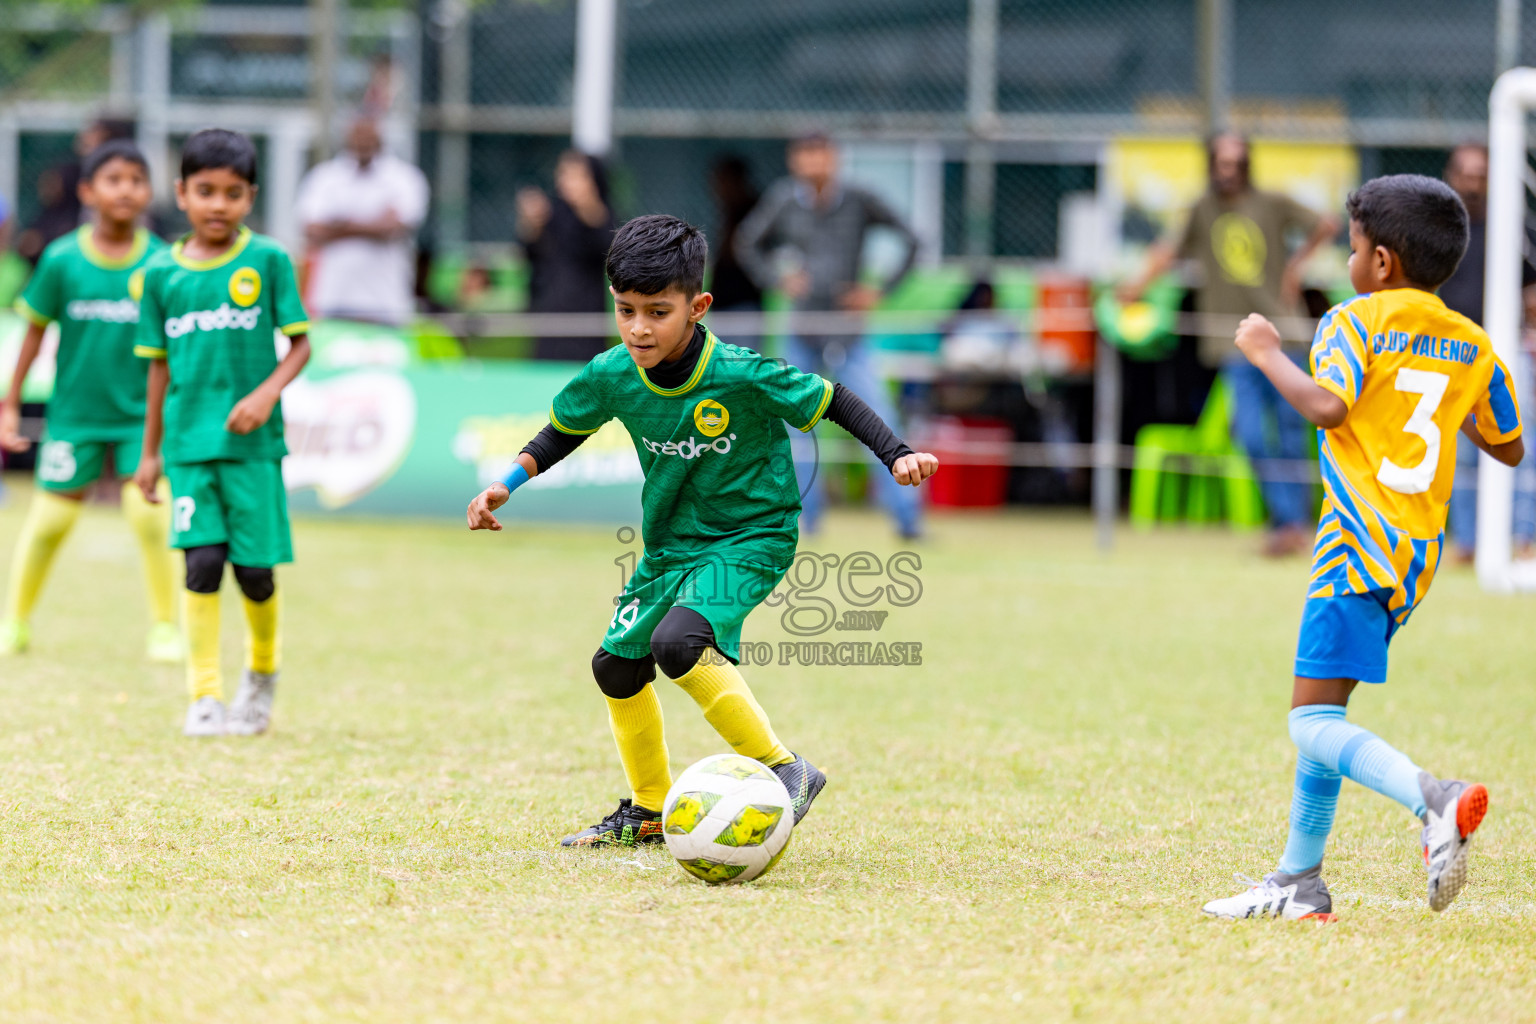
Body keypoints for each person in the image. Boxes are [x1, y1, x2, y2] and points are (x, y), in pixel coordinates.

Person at [465, 215, 938, 846]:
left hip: (753, 535)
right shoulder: (612, 373)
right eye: (625, 310)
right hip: (670, 545)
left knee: (679, 642)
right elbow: (562, 431)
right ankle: (648, 809)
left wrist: (897, 453)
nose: (638, 328)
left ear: (698, 307)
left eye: (657, 312)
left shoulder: (741, 372)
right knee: (616, 667)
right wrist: (506, 483)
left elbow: (834, 399)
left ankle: (785, 769)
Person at [1202, 175, 1524, 922]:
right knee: (1326, 712)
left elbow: (1328, 406)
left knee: (1308, 723)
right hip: (1414, 559)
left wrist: (1266, 352)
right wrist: (1441, 396)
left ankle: (1432, 799)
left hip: (1355, 545)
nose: (1347, 263)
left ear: (1380, 261)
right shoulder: (1471, 341)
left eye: (1350, 249)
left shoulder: (1354, 321)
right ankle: (1299, 881)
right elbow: (1508, 445)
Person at [132, 129, 312, 738]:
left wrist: (265, 394)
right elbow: (158, 368)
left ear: (250, 197)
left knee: (254, 573)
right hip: (188, 446)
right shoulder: (160, 273)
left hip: (253, 450)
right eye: (205, 191)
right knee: (202, 564)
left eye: (233, 194)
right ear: (181, 193)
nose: (218, 204)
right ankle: (204, 695)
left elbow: (301, 345)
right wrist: (150, 453)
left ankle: (261, 676)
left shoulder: (268, 260)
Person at [0, 140, 180, 661]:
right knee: (49, 523)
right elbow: (34, 333)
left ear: (149, 193)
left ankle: (165, 628)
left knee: (150, 518)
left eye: (136, 180)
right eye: (113, 180)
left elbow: (176, 346)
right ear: (87, 191)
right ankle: (15, 623)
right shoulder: (62, 258)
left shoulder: (163, 262)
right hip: (74, 417)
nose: (126, 190)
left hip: (141, 419)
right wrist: (10, 403)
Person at [1119, 133, 1339, 556]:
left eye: (1236, 163)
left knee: (1292, 435)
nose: (1229, 172)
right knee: (1251, 436)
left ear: (1247, 166)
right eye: (1222, 163)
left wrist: (1295, 268)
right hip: (1234, 341)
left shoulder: (1271, 202)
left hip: (1284, 335)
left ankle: (1293, 525)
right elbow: (1167, 251)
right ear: (1211, 165)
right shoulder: (1203, 209)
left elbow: (1326, 224)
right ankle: (1288, 521)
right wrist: (1135, 287)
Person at [735, 132, 923, 538]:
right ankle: (805, 520)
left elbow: (912, 240)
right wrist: (778, 279)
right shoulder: (785, 200)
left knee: (877, 416)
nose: (813, 163)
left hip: (850, 332)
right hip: (802, 330)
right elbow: (746, 243)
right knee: (795, 426)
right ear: (794, 160)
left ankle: (908, 519)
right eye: (805, 155)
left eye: (820, 154)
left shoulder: (858, 199)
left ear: (834, 158)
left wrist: (879, 291)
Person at [1438, 143, 1536, 562]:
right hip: (1449, 352)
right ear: (1451, 176)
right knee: (1460, 451)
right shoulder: (1436, 230)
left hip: (1505, 351)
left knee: (1518, 440)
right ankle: (1468, 542)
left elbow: (1531, 288)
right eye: (1467, 174)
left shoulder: (1514, 227)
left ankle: (1522, 537)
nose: (1474, 184)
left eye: (1481, 175)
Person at [297, 116, 429, 327]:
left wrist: (340, 225)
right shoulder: (325, 177)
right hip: (333, 299)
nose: (363, 140)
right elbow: (312, 231)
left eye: (369, 134)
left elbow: (396, 228)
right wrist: (374, 223)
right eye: (358, 133)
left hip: (387, 303)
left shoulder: (404, 177)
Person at [518, 150, 615, 361]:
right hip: (550, 317)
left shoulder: (601, 214)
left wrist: (587, 203)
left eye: (576, 175)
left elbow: (607, 246)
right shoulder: (554, 215)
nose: (566, 181)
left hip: (585, 319)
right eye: (563, 174)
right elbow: (531, 255)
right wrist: (531, 224)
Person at [707, 156, 764, 349]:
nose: (717, 188)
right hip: (724, 302)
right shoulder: (728, 211)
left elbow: (736, 252)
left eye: (723, 181)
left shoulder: (752, 212)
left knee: (742, 361)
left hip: (743, 302)